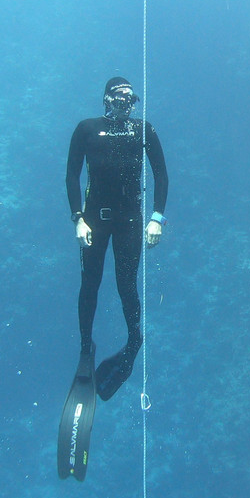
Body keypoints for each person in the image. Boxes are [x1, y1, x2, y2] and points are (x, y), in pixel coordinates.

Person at [66, 76, 169, 401]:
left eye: (130, 98)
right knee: (90, 283)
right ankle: (86, 350)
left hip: (129, 221)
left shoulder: (143, 130)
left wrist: (157, 219)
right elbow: (71, 173)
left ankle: (134, 342)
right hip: (95, 220)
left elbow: (161, 174)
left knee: (127, 285)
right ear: (106, 99)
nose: (125, 103)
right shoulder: (86, 128)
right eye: (119, 97)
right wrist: (77, 219)